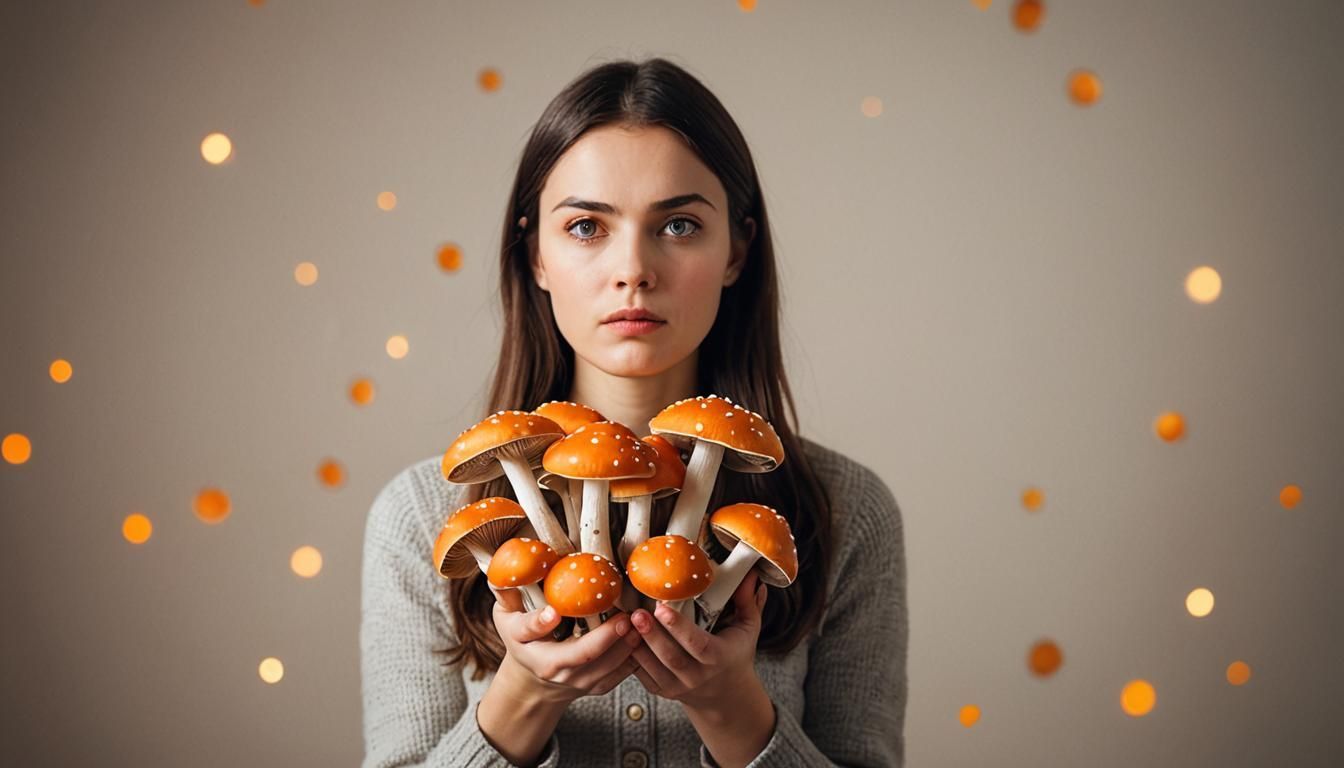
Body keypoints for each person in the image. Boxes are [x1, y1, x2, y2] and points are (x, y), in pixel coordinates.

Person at [360, 57, 908, 768]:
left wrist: (731, 707)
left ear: (737, 250)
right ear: (535, 256)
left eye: (678, 225)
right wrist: (522, 698)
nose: (634, 270)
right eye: (587, 227)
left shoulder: (847, 510)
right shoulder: (419, 514)